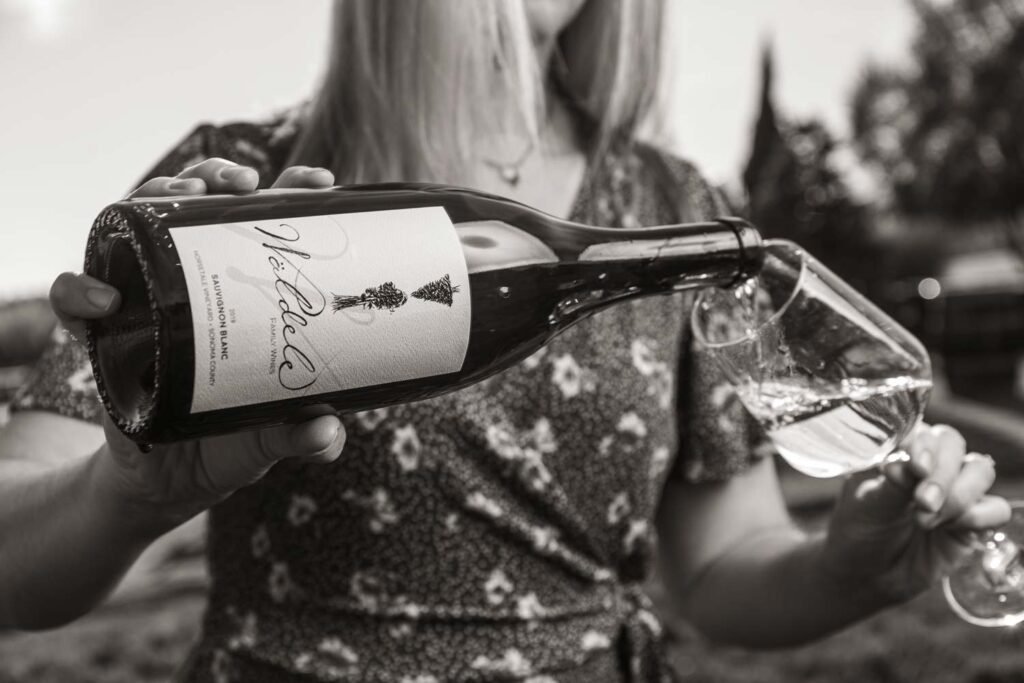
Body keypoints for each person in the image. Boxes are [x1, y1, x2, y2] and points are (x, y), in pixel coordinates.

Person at [0, 1, 1009, 680]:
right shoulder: (242, 184)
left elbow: (716, 570)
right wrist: (124, 492)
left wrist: (849, 567)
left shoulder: (669, 213)